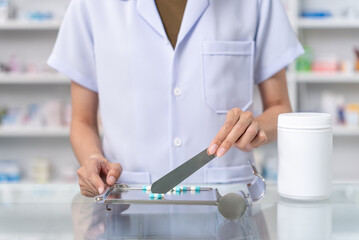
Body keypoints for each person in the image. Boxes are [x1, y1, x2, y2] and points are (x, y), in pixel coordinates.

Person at [48, 0, 303, 197]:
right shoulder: (91, 5)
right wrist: (93, 159)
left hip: (227, 201)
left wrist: (257, 128)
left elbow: (280, 108)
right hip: (129, 200)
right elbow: (82, 120)